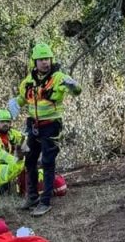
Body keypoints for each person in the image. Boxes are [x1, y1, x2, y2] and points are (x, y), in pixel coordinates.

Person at [10, 42, 81, 217]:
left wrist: (73, 85)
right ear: (34, 61)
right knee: (30, 160)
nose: (45, 62)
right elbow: (23, 98)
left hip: (51, 124)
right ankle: (32, 197)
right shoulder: (28, 81)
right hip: (33, 124)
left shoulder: (58, 77)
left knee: (48, 162)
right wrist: (14, 103)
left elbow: (76, 91)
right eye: (41, 59)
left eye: (47, 58)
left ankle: (45, 201)